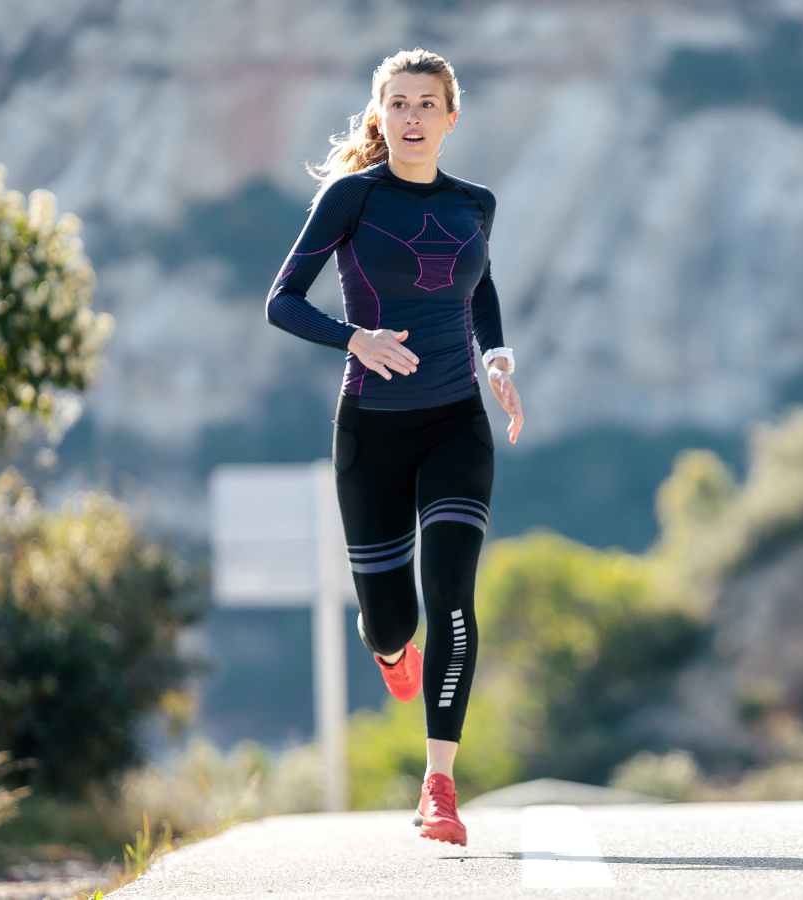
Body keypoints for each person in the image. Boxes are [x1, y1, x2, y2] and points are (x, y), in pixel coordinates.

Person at [265, 48, 523, 847]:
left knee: (452, 595)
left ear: (452, 116)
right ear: (380, 115)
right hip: (371, 430)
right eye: (398, 104)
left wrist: (496, 356)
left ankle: (440, 787)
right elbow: (282, 302)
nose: (412, 117)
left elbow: (476, 286)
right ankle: (388, 649)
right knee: (390, 621)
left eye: (426, 104)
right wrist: (355, 339)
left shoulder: (474, 202)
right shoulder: (354, 197)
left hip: (456, 423)